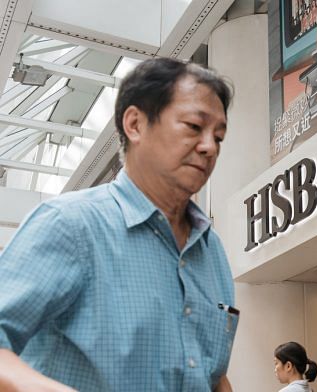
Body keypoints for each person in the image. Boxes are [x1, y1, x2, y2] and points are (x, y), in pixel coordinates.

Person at [0, 58, 236, 391]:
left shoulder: (213, 254)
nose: (209, 147)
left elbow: (213, 376)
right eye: (194, 127)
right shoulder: (69, 225)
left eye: (220, 136)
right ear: (135, 124)